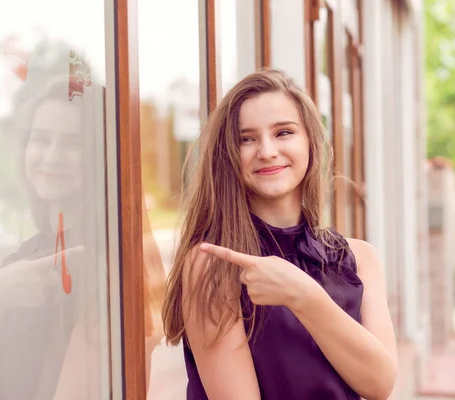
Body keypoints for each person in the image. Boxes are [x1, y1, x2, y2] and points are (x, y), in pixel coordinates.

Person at [162, 68, 398, 400]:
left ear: (310, 142)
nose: (268, 151)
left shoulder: (360, 259)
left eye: (284, 132)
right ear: (228, 154)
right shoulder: (214, 265)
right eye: (247, 138)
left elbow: (380, 384)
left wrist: (305, 296)